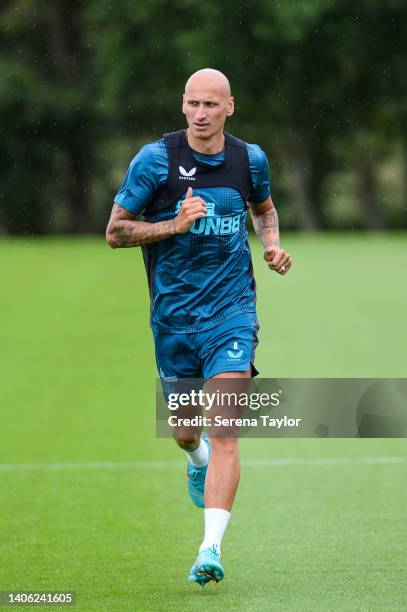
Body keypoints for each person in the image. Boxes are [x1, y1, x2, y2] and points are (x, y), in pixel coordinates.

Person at [106, 68, 292, 587]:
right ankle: (195, 459)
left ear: (230, 107)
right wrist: (173, 224)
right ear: (183, 106)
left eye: (212, 104)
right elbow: (115, 231)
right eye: (193, 103)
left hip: (231, 314)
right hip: (173, 319)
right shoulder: (155, 160)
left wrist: (271, 244)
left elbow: (265, 210)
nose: (201, 113)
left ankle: (209, 548)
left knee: (225, 429)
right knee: (187, 430)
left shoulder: (248, 159)